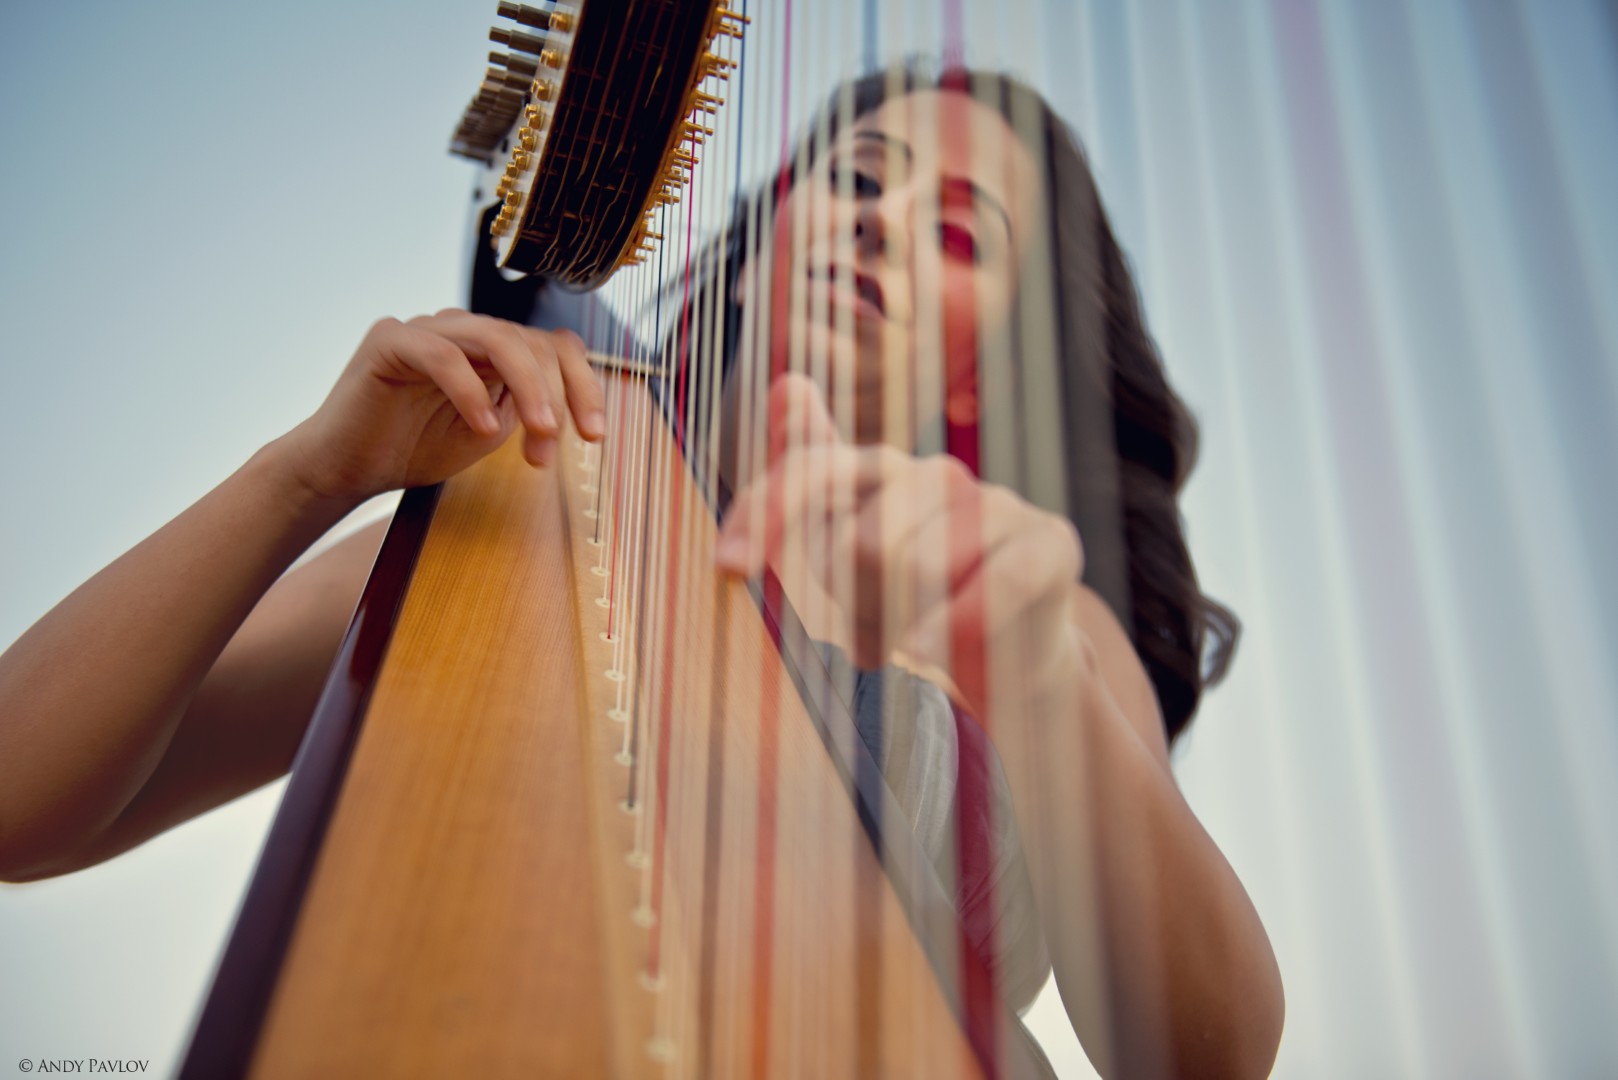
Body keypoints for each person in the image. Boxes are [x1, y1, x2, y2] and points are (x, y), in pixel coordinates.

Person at [0, 63, 1283, 1079]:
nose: (882, 227)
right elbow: (19, 801)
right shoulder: (529, 489)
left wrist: (1034, 676)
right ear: (774, 227)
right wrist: (309, 474)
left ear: (978, 368)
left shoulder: (1027, 606)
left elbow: (1205, 1059)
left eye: (955, 236)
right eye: (858, 183)